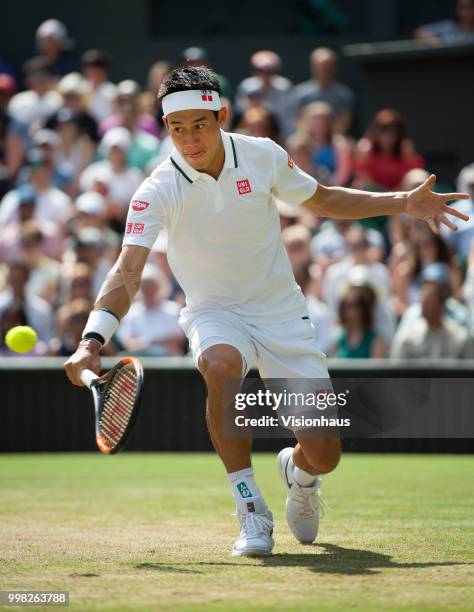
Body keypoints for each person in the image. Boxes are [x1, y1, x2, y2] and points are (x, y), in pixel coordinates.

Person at [64, 66, 468, 558]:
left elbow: (322, 199)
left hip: (281, 314)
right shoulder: (156, 188)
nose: (189, 140)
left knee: (325, 453)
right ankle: (250, 506)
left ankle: (299, 475)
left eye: (200, 125)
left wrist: (403, 202)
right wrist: (91, 340)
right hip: (214, 311)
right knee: (219, 364)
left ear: (222, 115)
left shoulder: (261, 155)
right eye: (177, 129)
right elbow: (128, 270)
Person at [390, 265, 474, 359]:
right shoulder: (409, 326)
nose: (426, 306)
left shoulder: (460, 327)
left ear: (441, 304)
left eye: (438, 288)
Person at [290, 48, 355, 135]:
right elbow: (298, 120)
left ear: (334, 67)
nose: (323, 70)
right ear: (313, 67)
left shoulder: (344, 94)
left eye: (327, 66)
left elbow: (345, 121)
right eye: (320, 66)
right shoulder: (300, 93)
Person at [235, 51, 292, 137]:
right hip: (250, 132)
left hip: (278, 134)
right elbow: (242, 114)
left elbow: (287, 119)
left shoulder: (284, 88)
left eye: (269, 71)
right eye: (260, 70)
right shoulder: (246, 87)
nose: (265, 74)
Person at [332, 285, 386, 358]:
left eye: (353, 305)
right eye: (344, 306)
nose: (347, 310)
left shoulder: (376, 340)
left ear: (363, 309)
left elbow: (377, 367)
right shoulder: (338, 340)